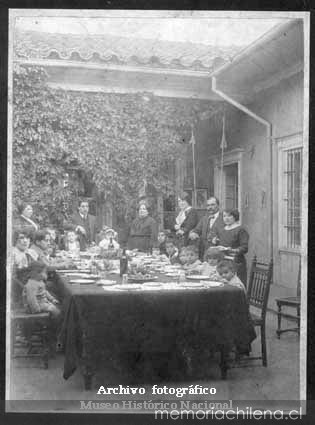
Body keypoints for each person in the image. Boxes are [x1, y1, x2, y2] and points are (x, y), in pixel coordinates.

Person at [214, 209, 249, 286]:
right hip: (223, 263)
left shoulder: (240, 230)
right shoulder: (223, 230)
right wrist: (216, 243)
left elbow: (244, 248)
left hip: (236, 263)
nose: (226, 218)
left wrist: (232, 250)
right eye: (224, 216)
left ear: (235, 217)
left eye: (229, 216)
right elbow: (222, 244)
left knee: (235, 286)